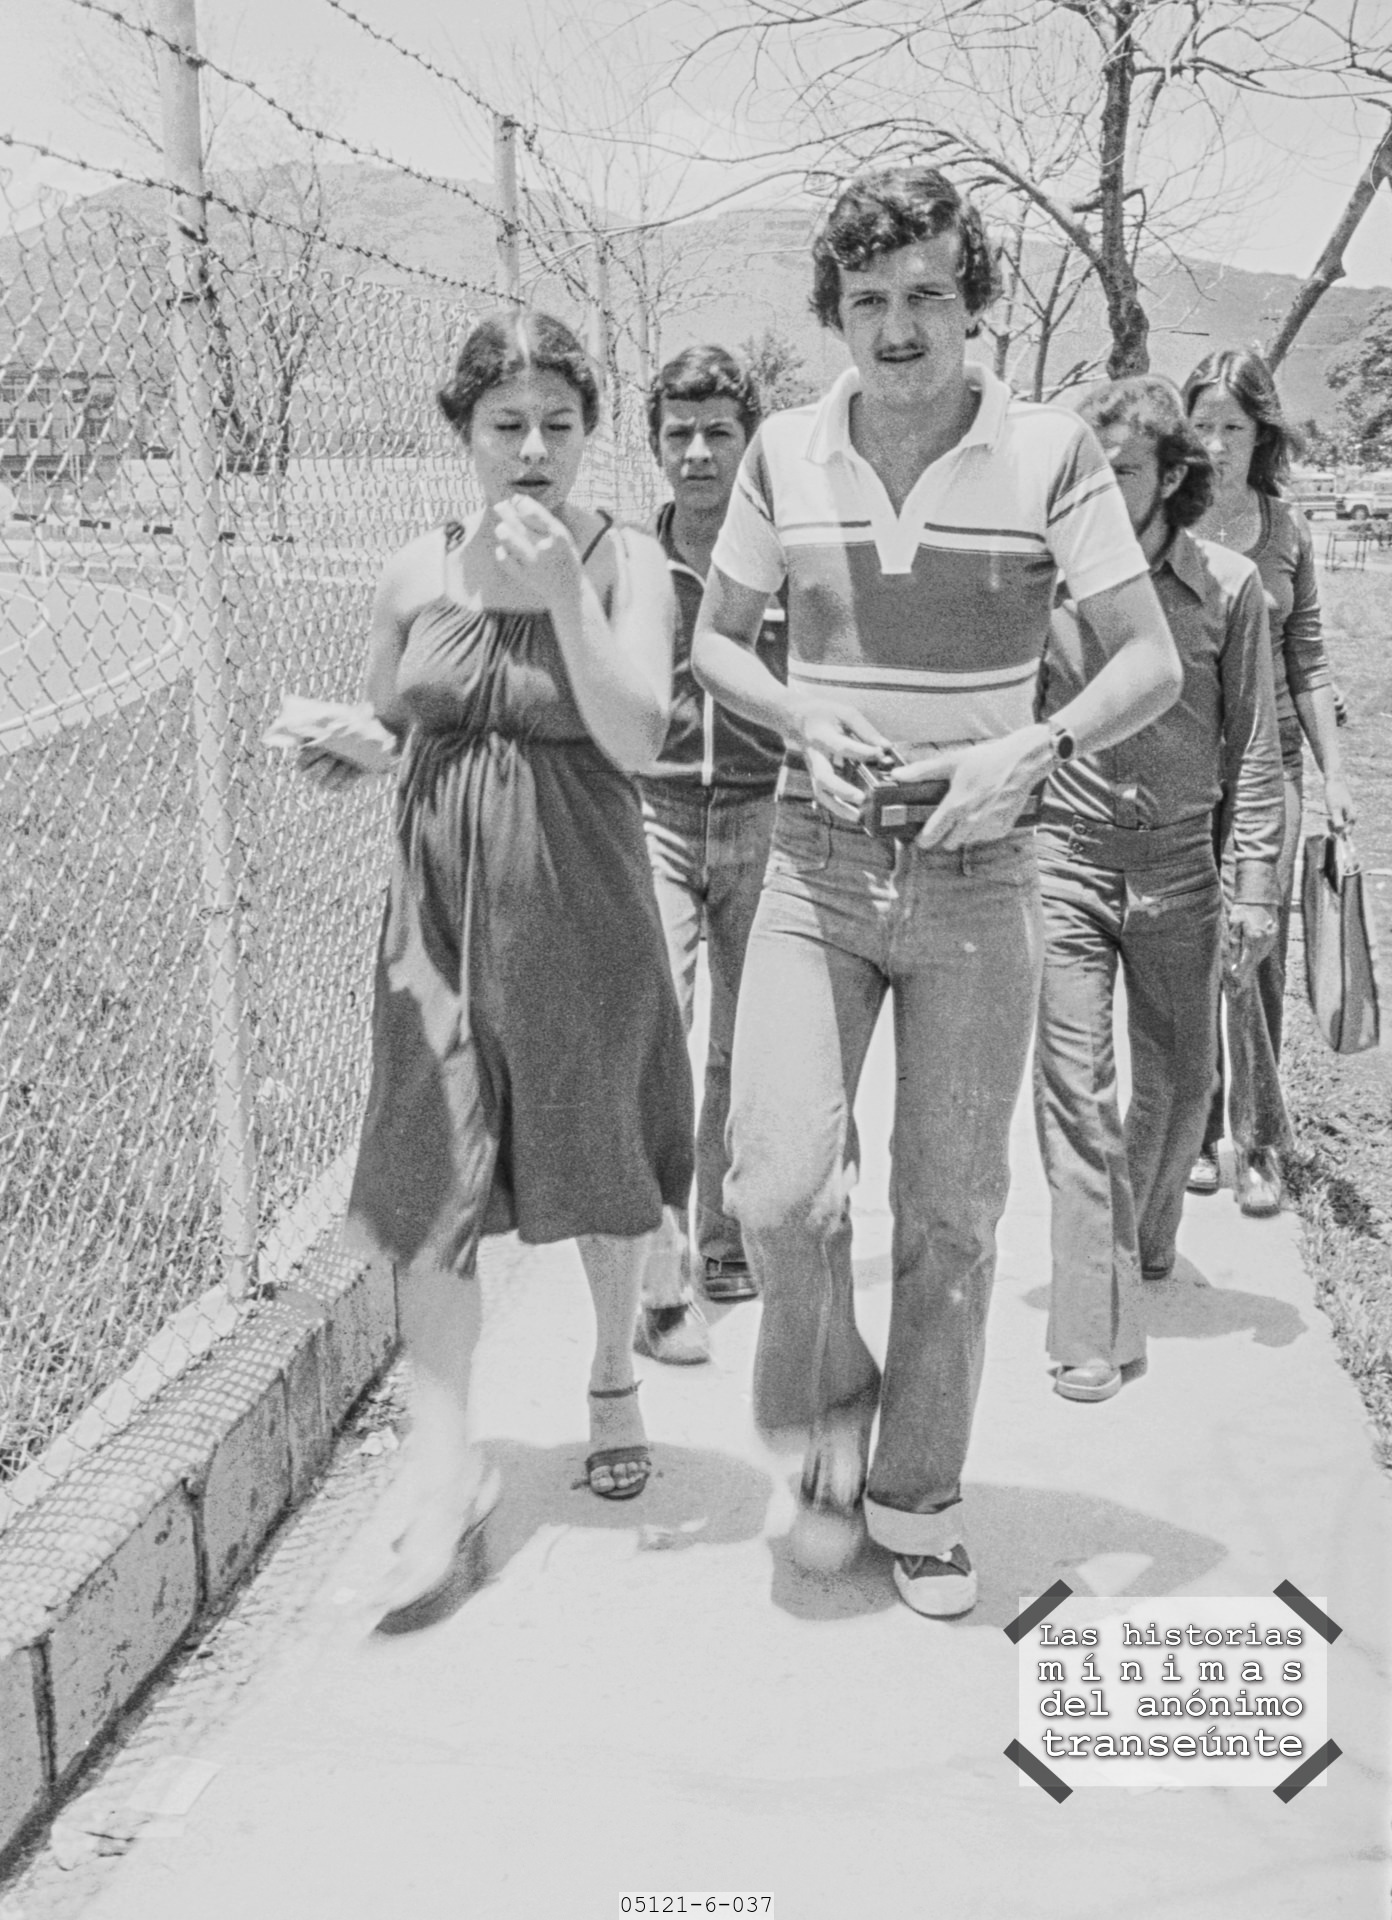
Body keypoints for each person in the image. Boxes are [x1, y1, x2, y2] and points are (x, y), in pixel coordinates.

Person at [691, 165, 1183, 1618]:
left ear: (975, 302)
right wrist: (796, 711)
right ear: (834, 312)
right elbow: (717, 641)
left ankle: (916, 1493)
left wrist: (1036, 747)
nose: (898, 327)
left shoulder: (1050, 455)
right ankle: (832, 1408)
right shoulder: (784, 452)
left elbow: (1147, 661)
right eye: (867, 300)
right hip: (817, 863)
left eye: (927, 295)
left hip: (979, 878)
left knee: (952, 1210)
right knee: (780, 1191)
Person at [300, 311, 693, 1623]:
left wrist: (566, 595)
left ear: (589, 433)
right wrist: (348, 744)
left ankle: (611, 1371)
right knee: (430, 1174)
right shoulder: (416, 568)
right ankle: (444, 1467)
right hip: (434, 921)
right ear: (462, 433)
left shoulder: (627, 562)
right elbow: (391, 719)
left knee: (600, 1152)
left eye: (558, 426)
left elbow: (639, 735)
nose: (532, 451)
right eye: (506, 426)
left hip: (581, 908)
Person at [1033, 377, 1284, 1404]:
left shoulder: (1230, 587)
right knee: (1076, 1091)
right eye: (1087, 475)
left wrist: (1255, 884)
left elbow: (1255, 745)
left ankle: (1136, 1239)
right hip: (1067, 863)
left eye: (1124, 472)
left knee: (1181, 1090)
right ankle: (1091, 1320)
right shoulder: (1046, 586)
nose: (1100, 492)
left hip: (1182, 871)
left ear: (1172, 477)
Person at [633, 346, 789, 1367]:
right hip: (653, 810)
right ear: (655, 444)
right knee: (658, 1030)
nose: (698, 453)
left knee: (742, 1040)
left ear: (749, 440)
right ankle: (658, 1266)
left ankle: (726, 1241)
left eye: (718, 433)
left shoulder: (782, 557)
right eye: (679, 434)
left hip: (760, 811)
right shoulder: (627, 562)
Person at [1182, 351, 1357, 1216]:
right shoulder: (1162, 522)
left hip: (1271, 762)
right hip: (1181, 766)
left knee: (1256, 945)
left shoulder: (1287, 530)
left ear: (1263, 435)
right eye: (1202, 425)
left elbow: (1309, 660)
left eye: (1234, 427)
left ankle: (1256, 1142)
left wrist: (1337, 774)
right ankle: (1197, 1125)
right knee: (1188, 948)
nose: (1216, 444)